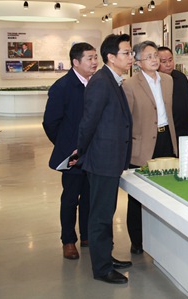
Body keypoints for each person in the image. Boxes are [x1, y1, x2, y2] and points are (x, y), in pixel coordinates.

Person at [76, 34, 134, 284]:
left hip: (110, 159)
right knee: (100, 215)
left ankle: (106, 257)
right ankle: (101, 268)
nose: (131, 57)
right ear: (111, 57)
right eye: (126, 53)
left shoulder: (113, 80)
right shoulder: (101, 82)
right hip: (102, 160)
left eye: (131, 53)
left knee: (107, 211)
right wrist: (82, 152)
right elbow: (88, 123)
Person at [43, 42, 98, 260]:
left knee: (89, 196)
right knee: (70, 198)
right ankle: (68, 240)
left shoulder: (97, 83)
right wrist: (66, 147)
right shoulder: (62, 87)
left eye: (95, 57)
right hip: (73, 154)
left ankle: (87, 236)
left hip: (94, 152)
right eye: (89, 58)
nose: (94, 62)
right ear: (76, 62)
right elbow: (50, 123)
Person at [123, 41, 177, 254]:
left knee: (167, 191)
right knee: (137, 196)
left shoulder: (168, 80)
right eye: (149, 57)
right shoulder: (129, 85)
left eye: (155, 55)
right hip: (143, 145)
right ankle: (137, 241)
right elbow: (126, 120)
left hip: (166, 140)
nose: (154, 60)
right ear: (137, 62)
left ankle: (163, 238)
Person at [158, 46, 188, 139]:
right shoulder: (155, 81)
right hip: (165, 130)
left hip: (183, 129)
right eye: (164, 62)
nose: (168, 64)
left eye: (170, 60)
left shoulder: (180, 77)